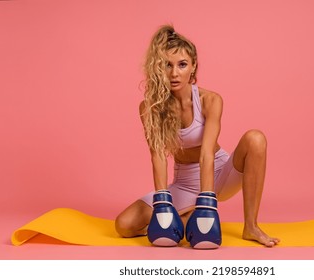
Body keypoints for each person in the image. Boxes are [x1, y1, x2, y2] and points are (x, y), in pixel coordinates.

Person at [115, 24, 280, 248]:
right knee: (123, 225)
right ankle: (184, 218)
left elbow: (206, 155)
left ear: (193, 67)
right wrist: (163, 204)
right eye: (167, 65)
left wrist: (207, 204)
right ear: (158, 68)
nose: (174, 73)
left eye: (182, 65)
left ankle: (251, 226)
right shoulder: (150, 107)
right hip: (183, 184)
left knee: (256, 138)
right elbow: (158, 156)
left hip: (220, 174)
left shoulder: (210, 101)